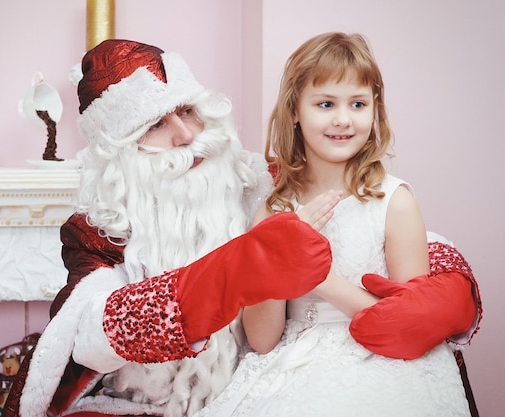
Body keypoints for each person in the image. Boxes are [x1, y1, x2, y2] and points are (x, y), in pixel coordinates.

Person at [2, 39, 481, 417]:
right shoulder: (96, 231)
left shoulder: (249, 178)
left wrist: (449, 287)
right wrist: (245, 269)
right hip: (186, 391)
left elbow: (375, 230)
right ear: (118, 152)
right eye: (154, 125)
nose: (186, 136)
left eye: (188, 111)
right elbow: (91, 329)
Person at [194, 32, 479, 417]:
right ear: (295, 110)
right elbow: (262, 340)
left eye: (358, 104)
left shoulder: (394, 202)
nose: (343, 120)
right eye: (325, 103)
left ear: (374, 110)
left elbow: (407, 327)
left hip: (381, 362)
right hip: (292, 362)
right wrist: (276, 258)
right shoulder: (273, 210)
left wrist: (315, 276)